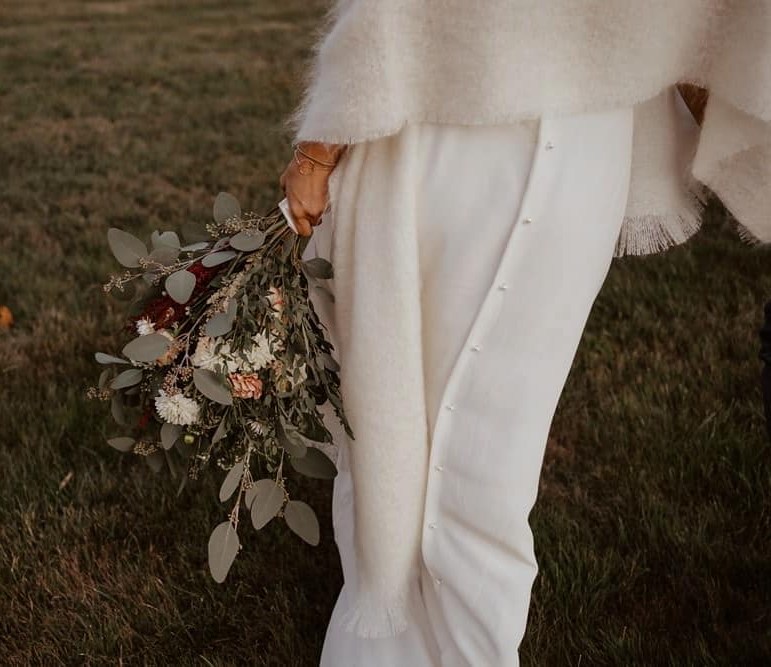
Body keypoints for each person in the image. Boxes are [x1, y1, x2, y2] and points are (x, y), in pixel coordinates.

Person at [278, 2, 770, 665]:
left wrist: (318, 149)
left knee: (416, 414)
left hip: (460, 119)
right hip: (581, 133)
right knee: (485, 439)